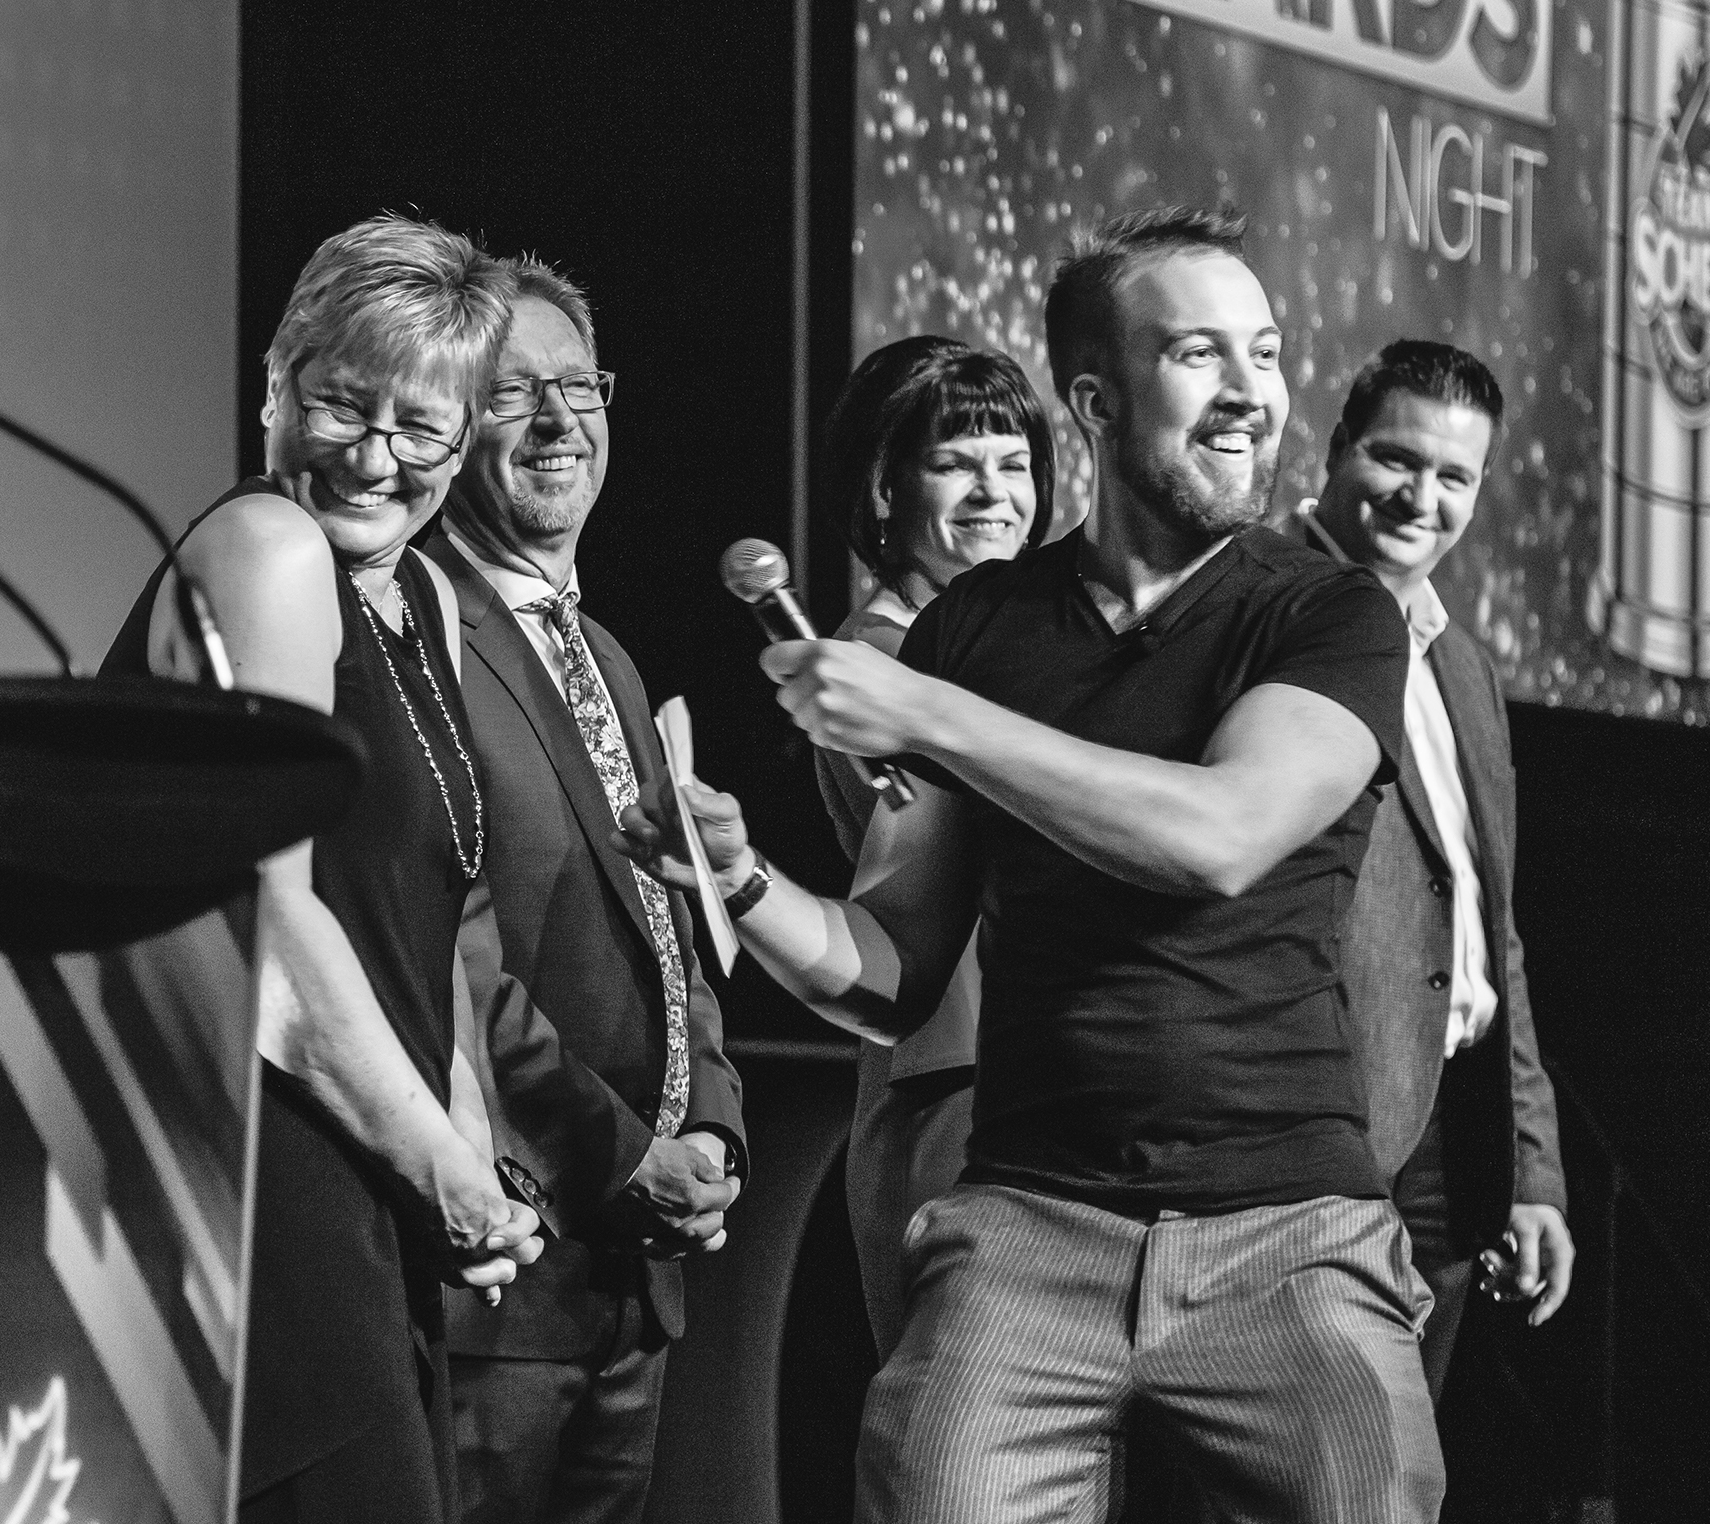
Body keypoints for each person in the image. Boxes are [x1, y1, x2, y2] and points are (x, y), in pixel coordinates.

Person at [617, 206, 1443, 1522]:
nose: (1251, 393)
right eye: (1200, 355)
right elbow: (888, 974)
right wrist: (740, 879)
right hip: (1026, 1226)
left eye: (1268, 353)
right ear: (1095, 402)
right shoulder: (979, 625)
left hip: (1289, 1235)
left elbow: (1218, 836)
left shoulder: (1325, 611)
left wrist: (927, 709)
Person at [101, 215, 542, 1523]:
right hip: (265, 1162)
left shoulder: (428, 599)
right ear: (273, 387)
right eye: (342, 406)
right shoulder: (269, 550)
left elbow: (420, 911)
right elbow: (270, 925)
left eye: (423, 430)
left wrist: (467, 1143)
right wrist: (439, 1165)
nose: (375, 458)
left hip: (368, 1164)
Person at [424, 255, 746, 1524]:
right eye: (515, 393)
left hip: (633, 1285)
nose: (560, 421)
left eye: (580, 385)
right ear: (450, 419)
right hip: (502, 1283)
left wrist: (711, 1125)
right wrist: (623, 1161)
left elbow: (670, 921)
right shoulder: (417, 628)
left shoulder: (604, 651)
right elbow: (454, 957)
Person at [1294, 339, 1572, 1403]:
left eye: (1454, 475)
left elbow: (1492, 932)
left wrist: (1533, 1171)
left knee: (1402, 1467)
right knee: (1309, 1460)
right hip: (1313, 1134)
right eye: (1397, 460)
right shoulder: (1255, 607)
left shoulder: (1464, 665)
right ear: (1337, 448)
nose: (1423, 498)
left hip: (1453, 1141)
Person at [812, 334, 1054, 1358]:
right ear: (884, 488)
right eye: (956, 463)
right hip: (956, 1096)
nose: (995, 494)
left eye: (1015, 464)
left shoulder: (988, 646)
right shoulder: (878, 663)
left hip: (1025, 1084)